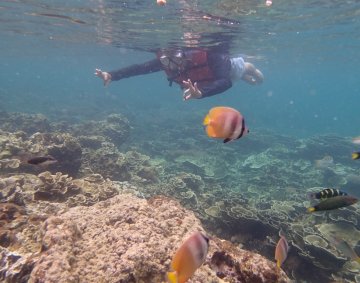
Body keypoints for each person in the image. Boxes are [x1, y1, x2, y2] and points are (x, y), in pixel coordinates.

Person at [95, 48, 263, 100]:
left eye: (174, 59)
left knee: (251, 73)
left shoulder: (212, 57)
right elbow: (139, 68)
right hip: (207, 81)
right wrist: (111, 75)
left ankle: (249, 70)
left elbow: (225, 81)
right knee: (242, 79)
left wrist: (203, 92)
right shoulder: (167, 62)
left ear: (185, 55)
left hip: (230, 69)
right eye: (166, 61)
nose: (171, 65)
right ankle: (245, 77)